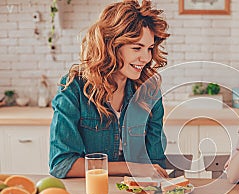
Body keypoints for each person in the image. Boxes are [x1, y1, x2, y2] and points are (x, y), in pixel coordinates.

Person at [49, 0, 170, 178]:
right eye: (137, 48)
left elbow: (155, 162)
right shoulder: (74, 88)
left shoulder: (149, 91)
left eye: (149, 48)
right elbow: (62, 164)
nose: (145, 58)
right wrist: (131, 168)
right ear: (111, 46)